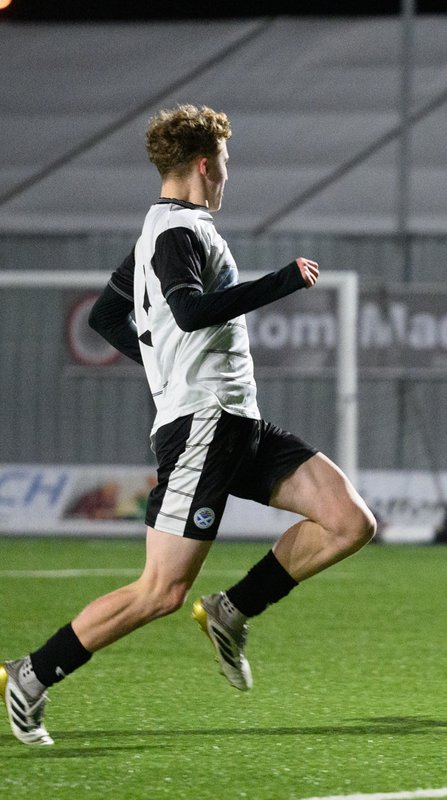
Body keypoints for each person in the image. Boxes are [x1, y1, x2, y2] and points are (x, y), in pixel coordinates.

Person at [2, 105, 376, 746]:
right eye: (226, 163)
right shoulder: (176, 233)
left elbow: (106, 319)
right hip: (203, 424)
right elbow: (192, 311)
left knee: (349, 521)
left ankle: (233, 610)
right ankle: (29, 676)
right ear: (206, 164)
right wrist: (280, 282)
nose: (228, 175)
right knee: (160, 591)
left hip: (236, 420)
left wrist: (162, 364)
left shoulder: (163, 232)